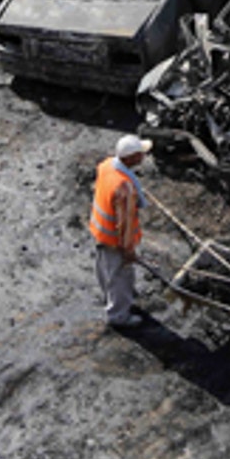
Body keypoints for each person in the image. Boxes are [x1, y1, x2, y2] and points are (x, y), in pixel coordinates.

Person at [90, 133, 152, 330]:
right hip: (114, 240)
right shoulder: (124, 188)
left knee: (105, 268)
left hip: (100, 232)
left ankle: (109, 296)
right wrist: (128, 250)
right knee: (121, 276)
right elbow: (124, 225)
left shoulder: (107, 165)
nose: (144, 156)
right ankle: (118, 315)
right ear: (131, 158)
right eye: (140, 154)